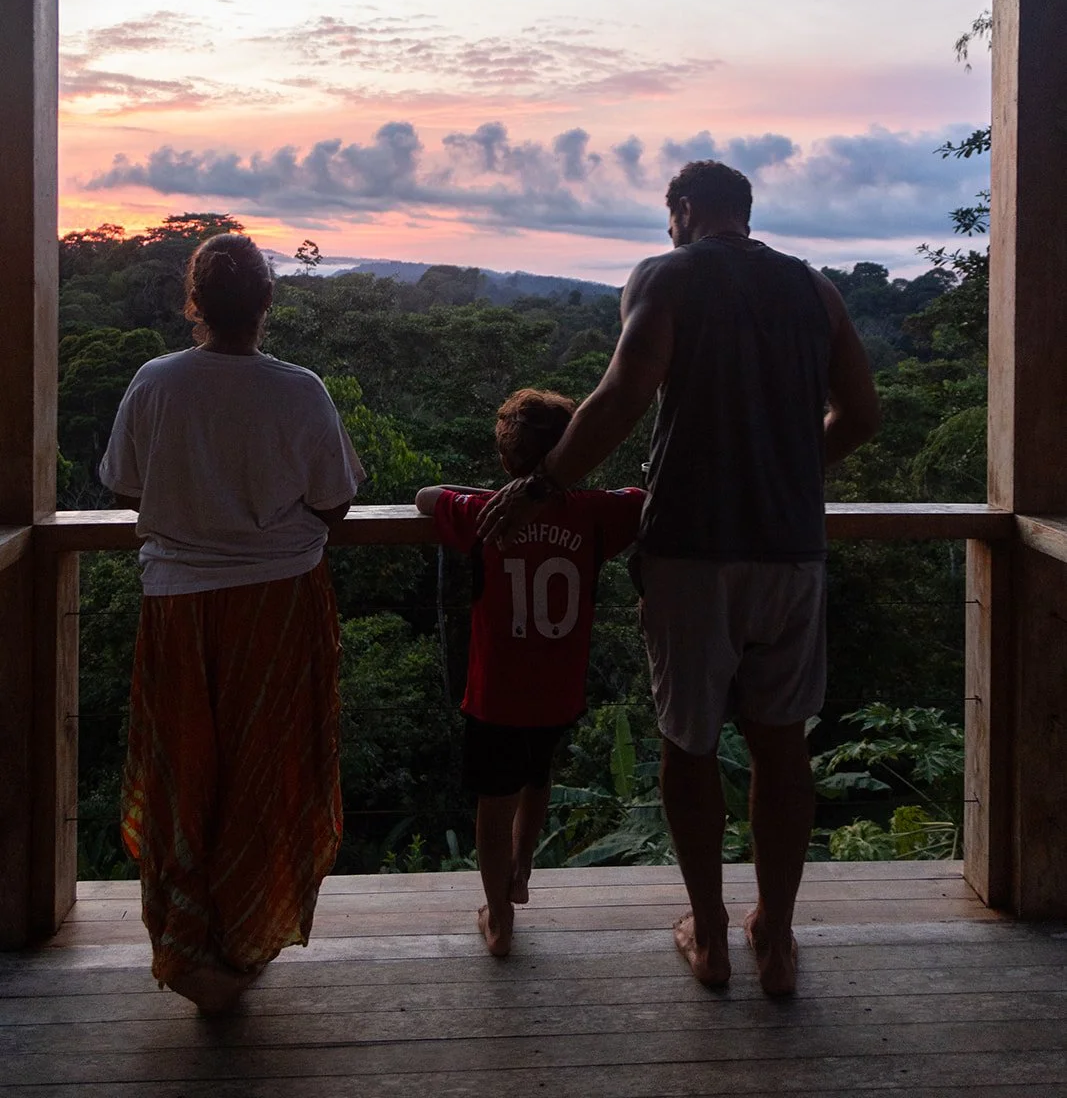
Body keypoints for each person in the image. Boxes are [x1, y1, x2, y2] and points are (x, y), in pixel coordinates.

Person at [478, 161, 880, 995]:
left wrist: (540, 484)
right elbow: (862, 415)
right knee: (781, 744)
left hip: (691, 550)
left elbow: (621, 395)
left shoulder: (664, 277)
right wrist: (787, 470)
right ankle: (774, 934)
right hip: (790, 549)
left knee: (688, 743)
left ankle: (709, 933)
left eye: (669, 216)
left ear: (685, 210)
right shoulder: (814, 289)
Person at [100, 233, 365, 1014]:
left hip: (178, 604)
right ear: (265, 306)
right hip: (278, 602)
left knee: (183, 770)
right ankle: (245, 935)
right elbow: (335, 501)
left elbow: (124, 485)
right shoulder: (299, 389)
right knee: (268, 770)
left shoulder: (156, 383)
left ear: (194, 305)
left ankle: (187, 948)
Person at [416, 389, 644, 957]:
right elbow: (643, 498)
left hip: (496, 695)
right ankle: (523, 868)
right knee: (537, 779)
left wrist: (496, 494)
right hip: (558, 691)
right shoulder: (597, 513)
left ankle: (498, 919)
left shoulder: (480, 515)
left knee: (493, 806)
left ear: (503, 461)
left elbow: (425, 497)